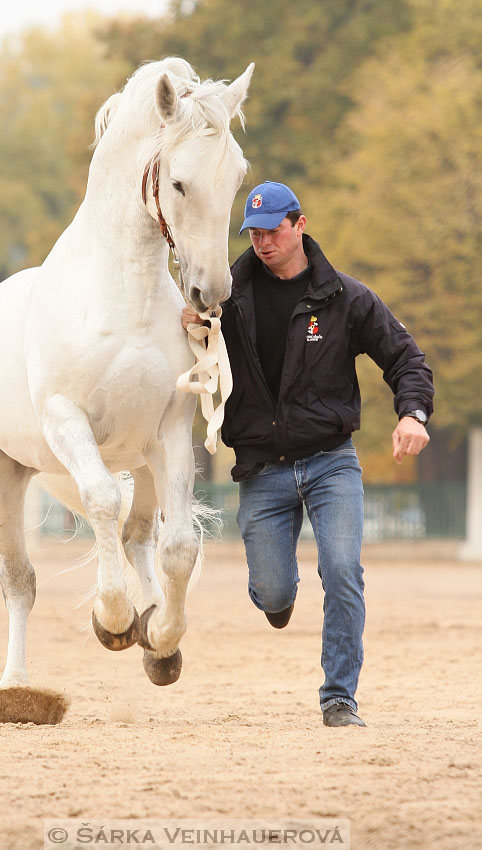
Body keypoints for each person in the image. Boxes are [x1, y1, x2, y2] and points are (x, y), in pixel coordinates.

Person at [181, 181, 434, 727]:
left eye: (273, 230)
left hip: (330, 461)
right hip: (261, 470)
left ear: (300, 224)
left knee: (343, 571)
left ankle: (339, 696)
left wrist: (413, 414)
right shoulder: (224, 297)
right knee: (271, 593)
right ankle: (279, 598)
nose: (263, 242)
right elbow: (179, 350)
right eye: (254, 233)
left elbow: (406, 359)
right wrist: (188, 330)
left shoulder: (346, 297)